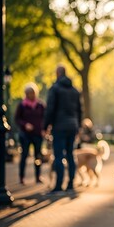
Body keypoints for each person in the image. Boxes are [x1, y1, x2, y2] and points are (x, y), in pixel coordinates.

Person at [44, 65, 82, 193]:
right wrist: (79, 126)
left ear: (58, 73)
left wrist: (45, 126)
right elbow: (79, 110)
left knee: (59, 155)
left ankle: (58, 185)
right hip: (73, 126)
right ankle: (71, 183)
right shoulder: (75, 91)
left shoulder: (55, 89)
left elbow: (50, 109)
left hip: (59, 127)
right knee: (70, 155)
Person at [14, 82, 46, 184]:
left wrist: (44, 129)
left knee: (38, 156)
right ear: (26, 94)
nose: (30, 95)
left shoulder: (40, 105)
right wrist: (25, 125)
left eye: (32, 93)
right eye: (28, 93)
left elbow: (45, 118)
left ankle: (38, 176)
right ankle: (21, 177)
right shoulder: (22, 105)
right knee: (24, 155)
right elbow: (17, 119)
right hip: (25, 135)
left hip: (37, 134)